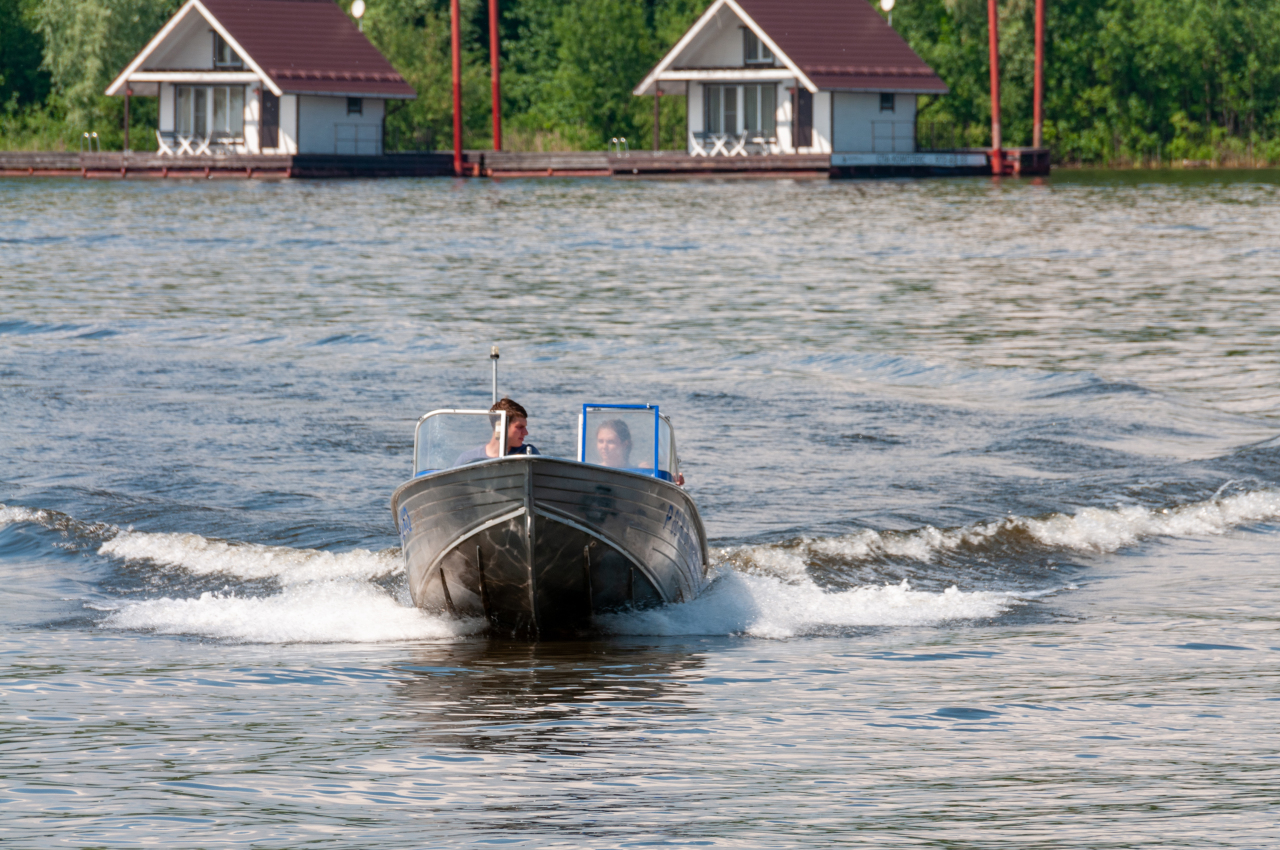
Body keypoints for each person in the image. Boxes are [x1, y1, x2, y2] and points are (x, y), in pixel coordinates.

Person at [453, 398, 540, 466]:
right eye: (520, 427)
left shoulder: (530, 454)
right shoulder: (467, 459)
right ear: (500, 426)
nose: (526, 432)